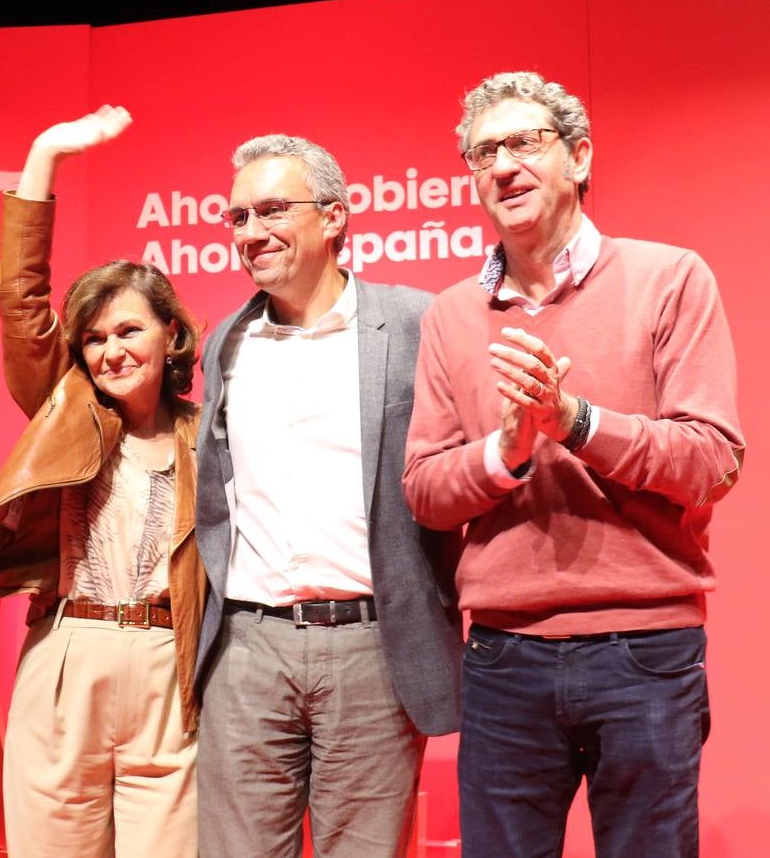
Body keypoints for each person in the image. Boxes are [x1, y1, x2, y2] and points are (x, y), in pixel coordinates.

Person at [403, 71, 745, 858]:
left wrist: (574, 422)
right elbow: (424, 491)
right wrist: (506, 452)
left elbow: (711, 460)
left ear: (580, 158)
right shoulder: (450, 316)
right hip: (501, 654)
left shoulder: (668, 279)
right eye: (482, 152)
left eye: (525, 142)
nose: (502, 166)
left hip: (645, 651)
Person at [0, 105, 205, 857]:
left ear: (170, 335)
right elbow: (22, 303)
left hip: (167, 673)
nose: (111, 350)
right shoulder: (65, 409)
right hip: (67, 654)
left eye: (128, 330)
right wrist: (46, 154)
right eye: (93, 337)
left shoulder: (203, 437)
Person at [193, 132, 462, 858]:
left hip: (371, 648)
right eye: (238, 217)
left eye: (272, 210)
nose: (251, 234)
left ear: (336, 217)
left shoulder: (415, 321)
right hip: (246, 649)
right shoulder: (225, 343)